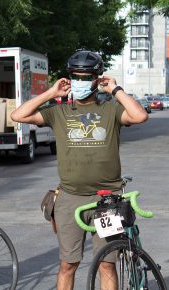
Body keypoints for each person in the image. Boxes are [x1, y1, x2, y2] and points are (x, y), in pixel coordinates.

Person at [11, 50, 148, 290]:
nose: (81, 82)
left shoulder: (111, 110)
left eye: (87, 77)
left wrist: (115, 90)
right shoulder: (59, 111)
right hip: (69, 199)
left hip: (107, 201)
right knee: (67, 264)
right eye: (76, 76)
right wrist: (52, 93)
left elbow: (140, 116)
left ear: (97, 79)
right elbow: (18, 115)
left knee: (107, 264)